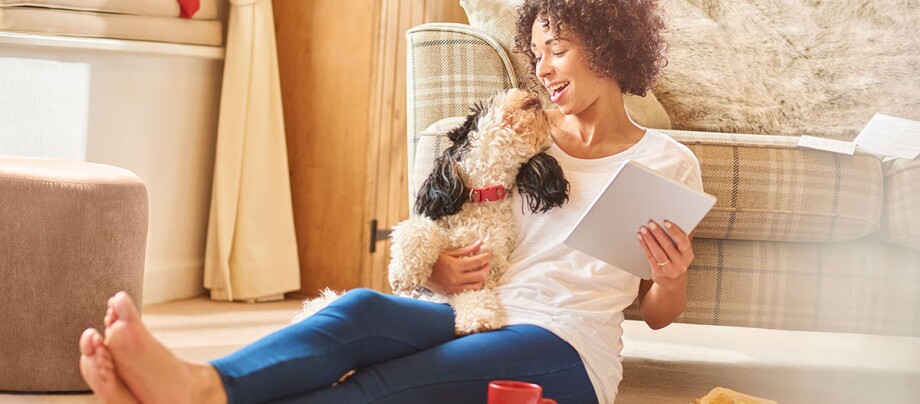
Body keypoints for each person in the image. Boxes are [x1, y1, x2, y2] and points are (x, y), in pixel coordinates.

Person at [78, 0, 701, 402]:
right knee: (359, 312)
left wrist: (670, 278)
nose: (541, 70)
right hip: (476, 310)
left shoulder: (666, 163)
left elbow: (657, 312)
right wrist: (437, 269)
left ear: (610, 48)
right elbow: (461, 219)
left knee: (386, 385)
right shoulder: (520, 135)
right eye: (536, 54)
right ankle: (201, 382)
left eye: (557, 52)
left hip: (567, 347)